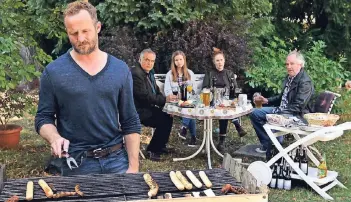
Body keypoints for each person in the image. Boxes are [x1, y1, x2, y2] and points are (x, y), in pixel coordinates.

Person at [35, 1, 141, 176]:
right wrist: (54, 137)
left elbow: (130, 120)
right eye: (74, 33)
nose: (81, 39)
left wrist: (133, 167)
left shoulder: (120, 70)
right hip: (75, 162)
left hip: (116, 160)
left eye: (85, 31)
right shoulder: (53, 72)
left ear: (97, 27)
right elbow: (43, 118)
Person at [250, 50, 314, 154]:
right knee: (255, 113)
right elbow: (282, 97)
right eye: (287, 64)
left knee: (270, 117)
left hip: (296, 115)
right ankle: (268, 144)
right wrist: (267, 100)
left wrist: (277, 113)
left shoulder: (305, 82)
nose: (289, 67)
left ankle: (275, 146)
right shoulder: (290, 77)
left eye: (292, 64)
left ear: (300, 65)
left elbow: (298, 106)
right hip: (282, 110)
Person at [131, 49, 177, 161]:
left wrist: (164, 104)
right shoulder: (136, 74)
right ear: (140, 59)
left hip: (146, 107)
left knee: (167, 116)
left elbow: (156, 91)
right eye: (147, 60)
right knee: (164, 119)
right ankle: (153, 150)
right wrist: (165, 100)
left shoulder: (149, 72)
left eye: (152, 61)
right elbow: (144, 96)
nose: (149, 63)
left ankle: (160, 146)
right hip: (136, 111)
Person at [202, 48, 247, 152]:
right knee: (224, 109)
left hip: (227, 101)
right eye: (217, 60)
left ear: (224, 61)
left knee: (226, 107)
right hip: (213, 101)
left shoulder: (230, 73)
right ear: (214, 62)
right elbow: (204, 88)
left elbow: (236, 89)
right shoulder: (209, 73)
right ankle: (236, 126)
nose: (219, 62)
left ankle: (222, 141)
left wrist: (239, 94)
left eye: (221, 60)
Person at [164, 51, 197, 146]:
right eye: (176, 60)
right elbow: (167, 91)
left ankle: (184, 128)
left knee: (189, 106)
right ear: (173, 62)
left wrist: (188, 99)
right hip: (175, 101)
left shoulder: (190, 73)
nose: (179, 62)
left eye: (181, 59)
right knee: (189, 109)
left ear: (184, 60)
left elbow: (193, 91)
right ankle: (192, 136)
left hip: (188, 101)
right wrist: (176, 100)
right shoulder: (170, 74)